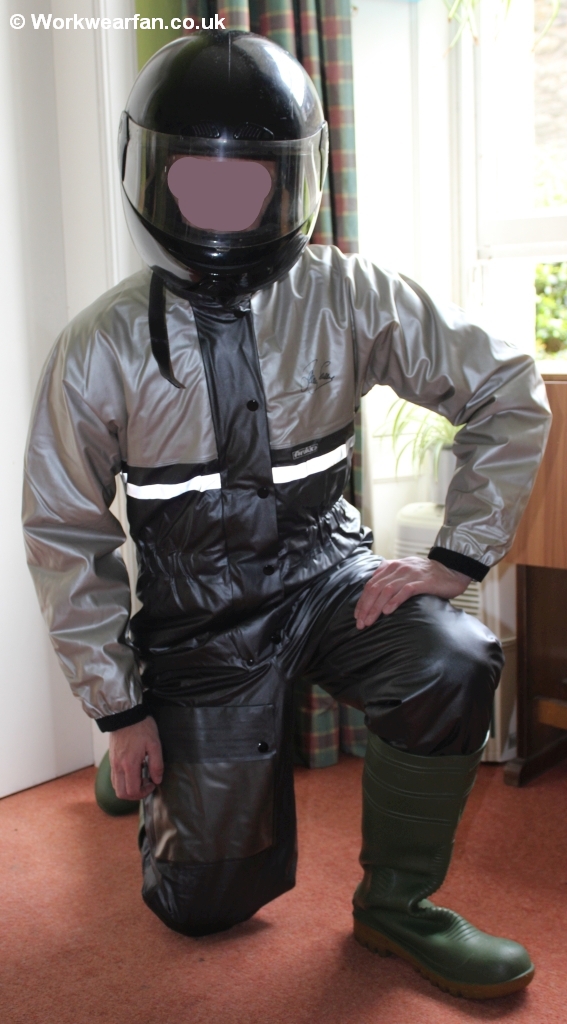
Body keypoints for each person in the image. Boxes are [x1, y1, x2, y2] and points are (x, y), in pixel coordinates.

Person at [23, 30, 550, 1000]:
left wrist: (455, 556)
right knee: (203, 906)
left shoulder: (346, 294)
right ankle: (157, 749)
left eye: (248, 183)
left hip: (326, 575)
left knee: (452, 657)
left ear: (293, 182)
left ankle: (398, 905)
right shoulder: (100, 346)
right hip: (197, 617)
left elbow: (506, 387)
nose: (222, 207)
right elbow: (65, 530)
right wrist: (120, 709)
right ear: (150, 176)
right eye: (197, 182)